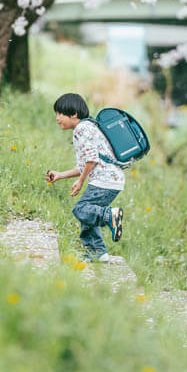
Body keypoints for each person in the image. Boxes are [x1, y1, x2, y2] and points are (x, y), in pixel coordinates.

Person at [46, 92, 125, 262]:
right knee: (88, 215)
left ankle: (110, 216)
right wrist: (60, 175)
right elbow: (84, 165)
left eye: (60, 113)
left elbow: (92, 159)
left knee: (81, 209)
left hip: (104, 180)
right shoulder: (89, 127)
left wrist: (81, 181)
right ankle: (98, 252)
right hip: (111, 180)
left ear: (73, 114)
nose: (57, 118)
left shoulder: (81, 129)